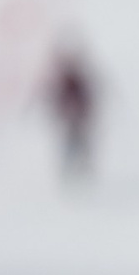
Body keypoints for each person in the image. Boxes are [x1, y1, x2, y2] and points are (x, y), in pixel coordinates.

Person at [43, 44, 100, 178]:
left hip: (77, 119)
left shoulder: (76, 81)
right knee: (73, 145)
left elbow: (86, 98)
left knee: (79, 145)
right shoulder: (66, 82)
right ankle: (71, 171)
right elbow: (55, 99)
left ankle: (82, 170)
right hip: (72, 120)